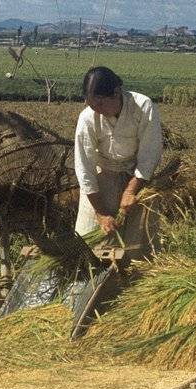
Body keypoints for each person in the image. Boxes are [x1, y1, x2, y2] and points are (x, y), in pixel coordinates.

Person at [73, 66, 163, 260]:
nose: (96, 111)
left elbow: (149, 154)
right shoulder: (87, 117)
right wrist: (100, 213)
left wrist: (131, 190)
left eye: (100, 105)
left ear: (116, 93)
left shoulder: (142, 106)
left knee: (138, 245)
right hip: (101, 177)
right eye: (91, 105)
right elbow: (84, 168)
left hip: (137, 176)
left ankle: (136, 280)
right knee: (89, 243)